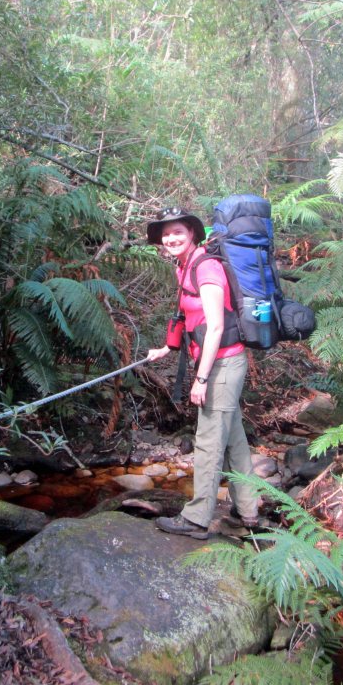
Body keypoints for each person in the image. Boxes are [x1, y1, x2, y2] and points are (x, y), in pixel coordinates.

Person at [145, 206, 260, 539]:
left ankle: (196, 519)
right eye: (166, 234)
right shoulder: (185, 266)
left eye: (178, 231)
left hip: (222, 364)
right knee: (234, 440)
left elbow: (216, 326)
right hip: (216, 362)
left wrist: (202, 379)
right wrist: (167, 347)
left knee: (209, 441)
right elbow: (188, 318)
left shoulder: (206, 267)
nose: (171, 238)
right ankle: (248, 511)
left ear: (192, 233)